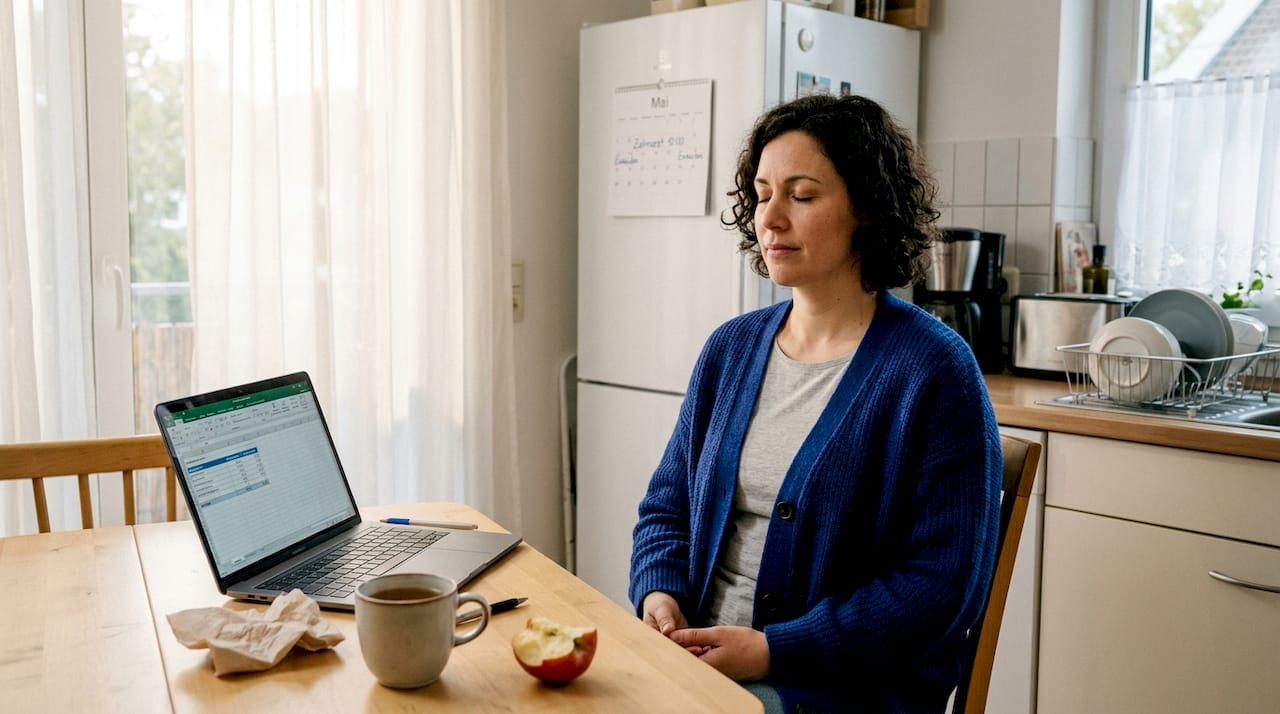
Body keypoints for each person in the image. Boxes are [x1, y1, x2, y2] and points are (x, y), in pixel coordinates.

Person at [628, 94, 1002, 713]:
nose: (770, 219)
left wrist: (773, 650)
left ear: (867, 208)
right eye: (762, 195)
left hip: (839, 691)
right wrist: (659, 592)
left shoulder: (934, 370)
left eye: (801, 196)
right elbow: (667, 507)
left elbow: (938, 589)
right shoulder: (730, 348)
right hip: (696, 664)